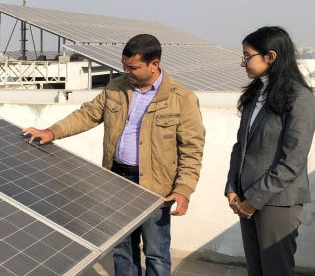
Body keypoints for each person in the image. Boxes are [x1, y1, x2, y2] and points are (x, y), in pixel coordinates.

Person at [23, 34, 205, 276]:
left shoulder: (181, 99)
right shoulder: (115, 88)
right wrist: (51, 131)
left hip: (156, 188)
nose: (126, 71)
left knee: (156, 252)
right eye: (124, 65)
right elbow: (87, 115)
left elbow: (192, 149)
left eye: (133, 67)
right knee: (122, 248)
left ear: (154, 64)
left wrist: (184, 190)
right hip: (117, 179)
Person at [225, 26, 315, 276]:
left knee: (276, 270)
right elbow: (240, 146)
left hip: (278, 202)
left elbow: (292, 162)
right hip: (246, 200)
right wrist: (232, 187)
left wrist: (254, 199)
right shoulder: (256, 94)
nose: (243, 63)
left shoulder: (300, 97)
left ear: (271, 56)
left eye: (247, 55)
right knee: (256, 270)